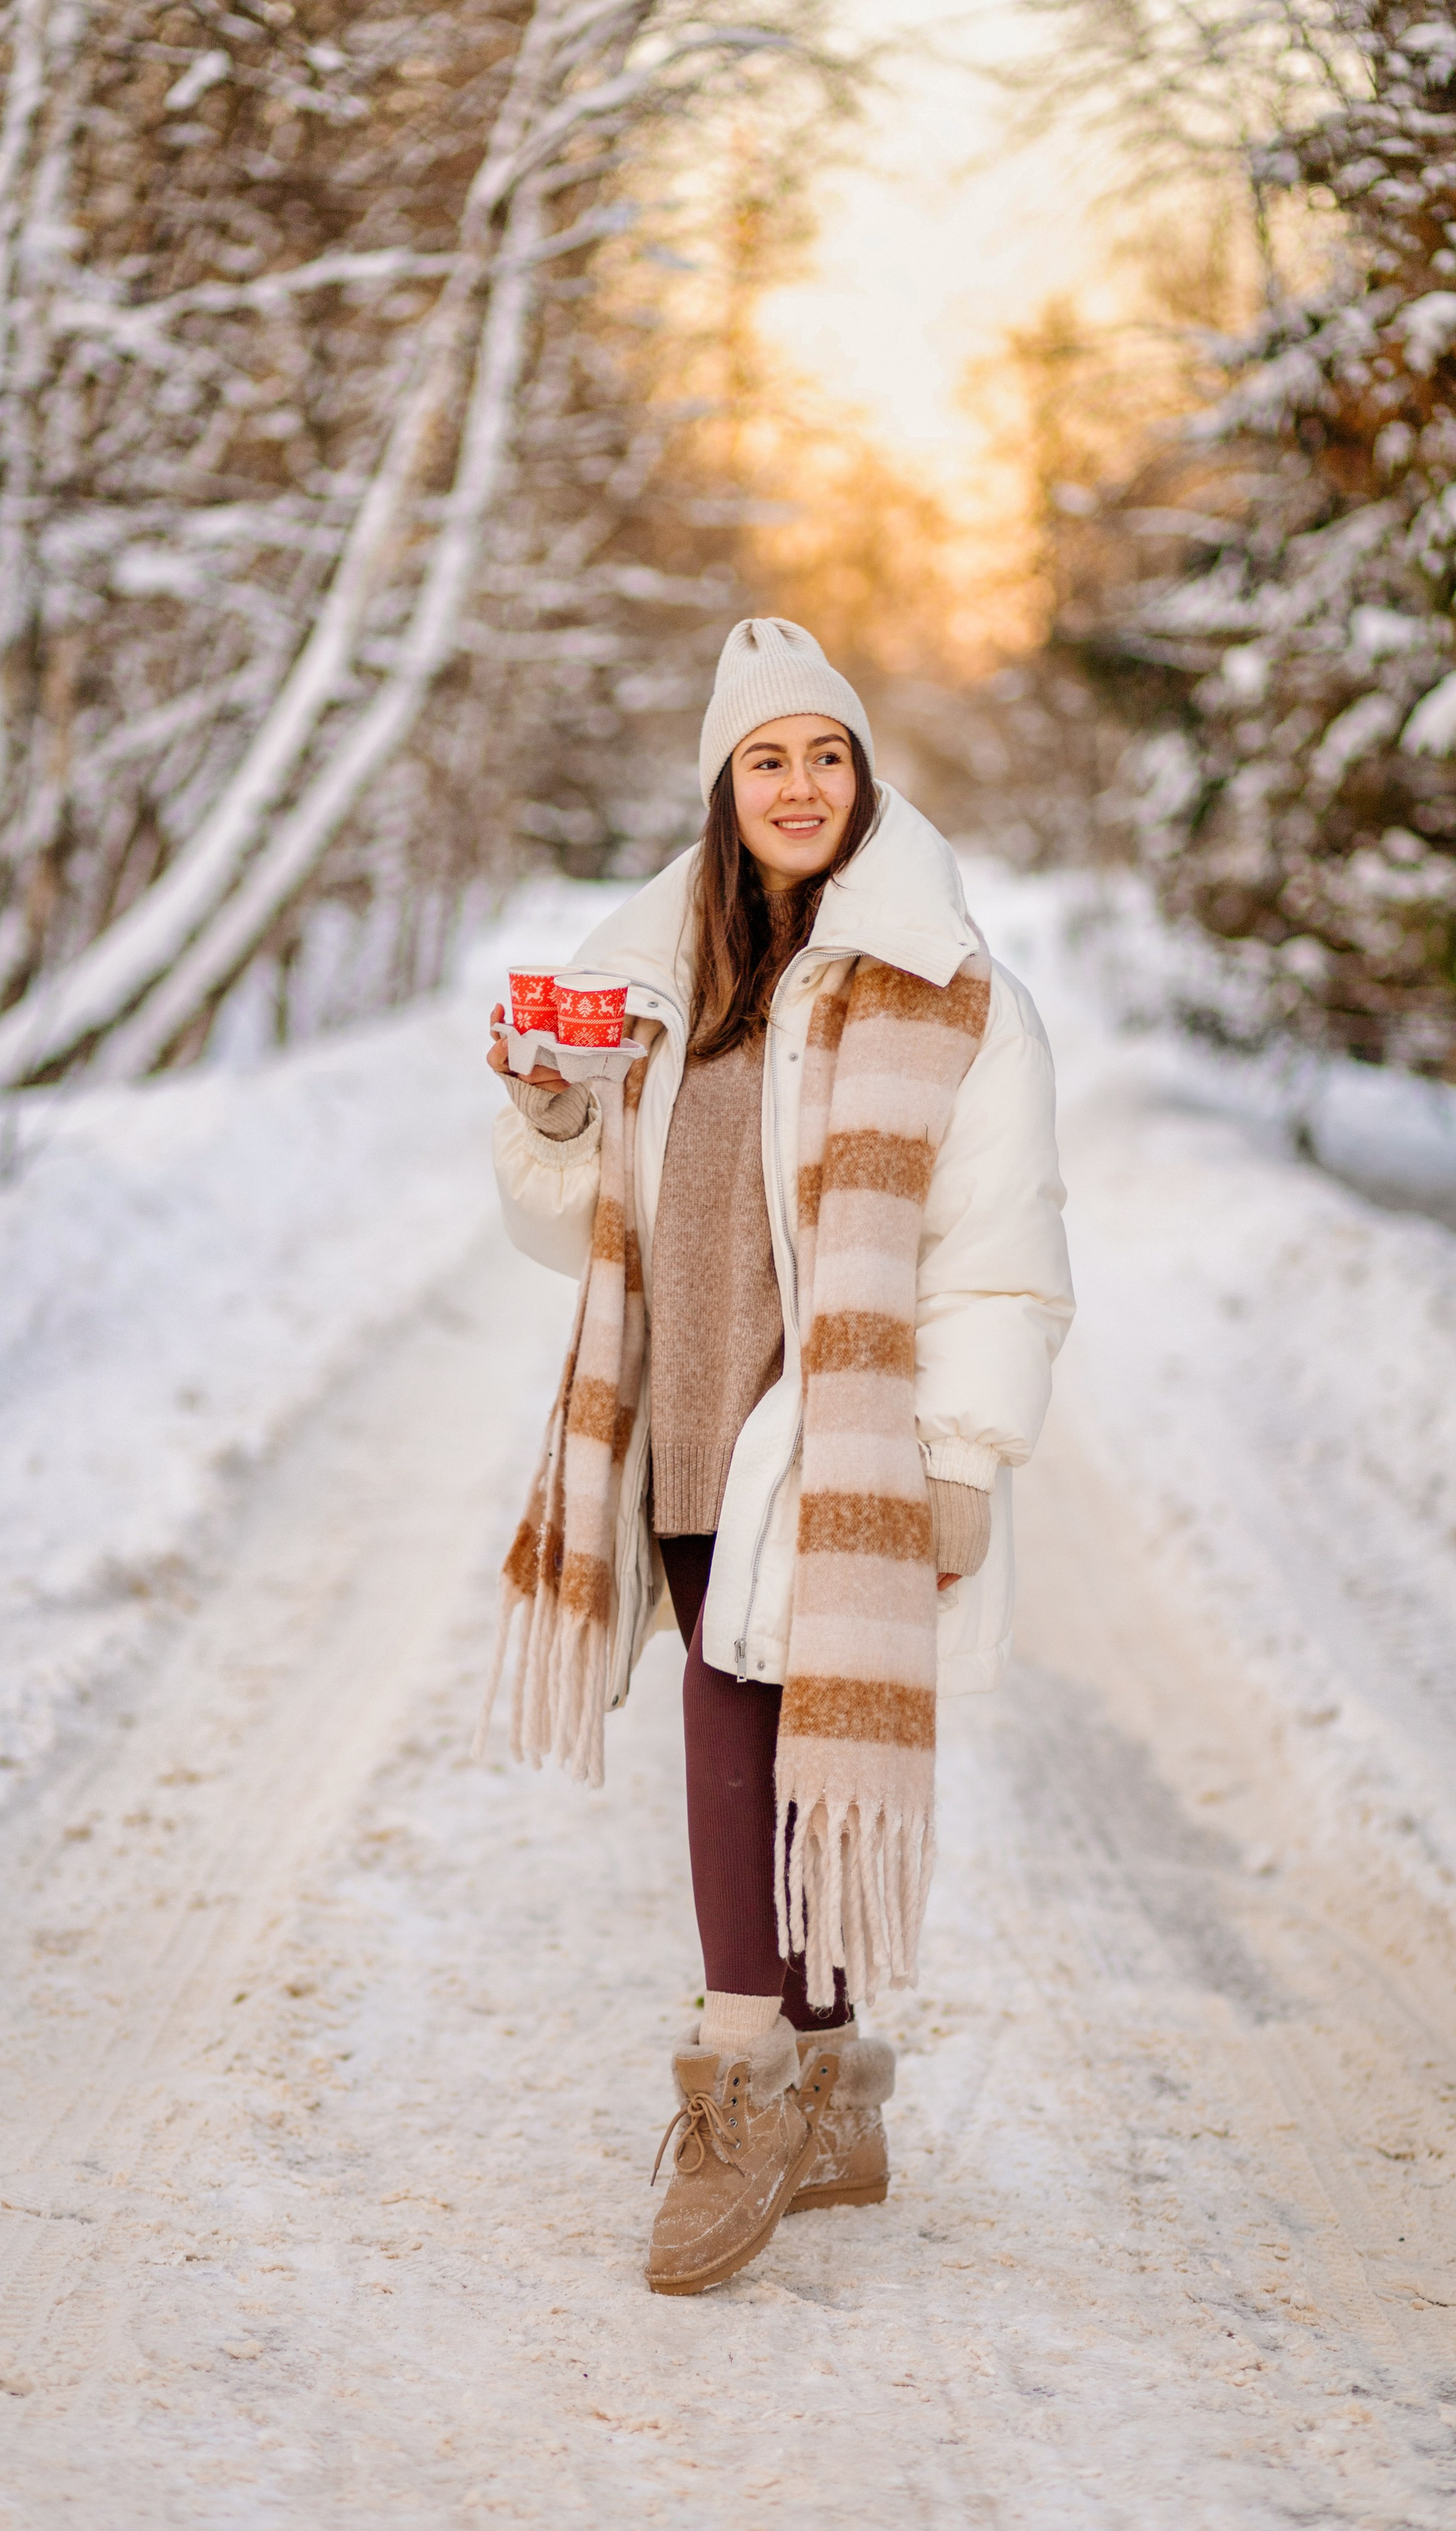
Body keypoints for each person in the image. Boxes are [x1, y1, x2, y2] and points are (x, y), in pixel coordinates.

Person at [480, 618, 1074, 2295]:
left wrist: (959, 1448)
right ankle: (831, 2100)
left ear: (862, 774)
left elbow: (999, 1244)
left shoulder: (955, 991)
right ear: (723, 786)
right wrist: (546, 1110)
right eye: (765, 760)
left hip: (831, 1434)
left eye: (824, 755)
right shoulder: (661, 975)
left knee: (734, 1709)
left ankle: (741, 2090)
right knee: (754, 1710)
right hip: (682, 1407)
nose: (797, 786)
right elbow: (567, 1218)